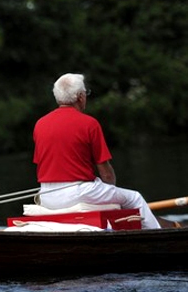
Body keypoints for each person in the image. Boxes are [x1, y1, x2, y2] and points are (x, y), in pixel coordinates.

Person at [33, 73, 161, 229]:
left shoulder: (40, 124)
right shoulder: (89, 124)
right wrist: (111, 192)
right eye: (85, 93)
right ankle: (158, 239)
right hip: (79, 193)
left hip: (46, 195)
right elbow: (106, 173)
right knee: (135, 198)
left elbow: (42, 165)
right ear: (80, 97)